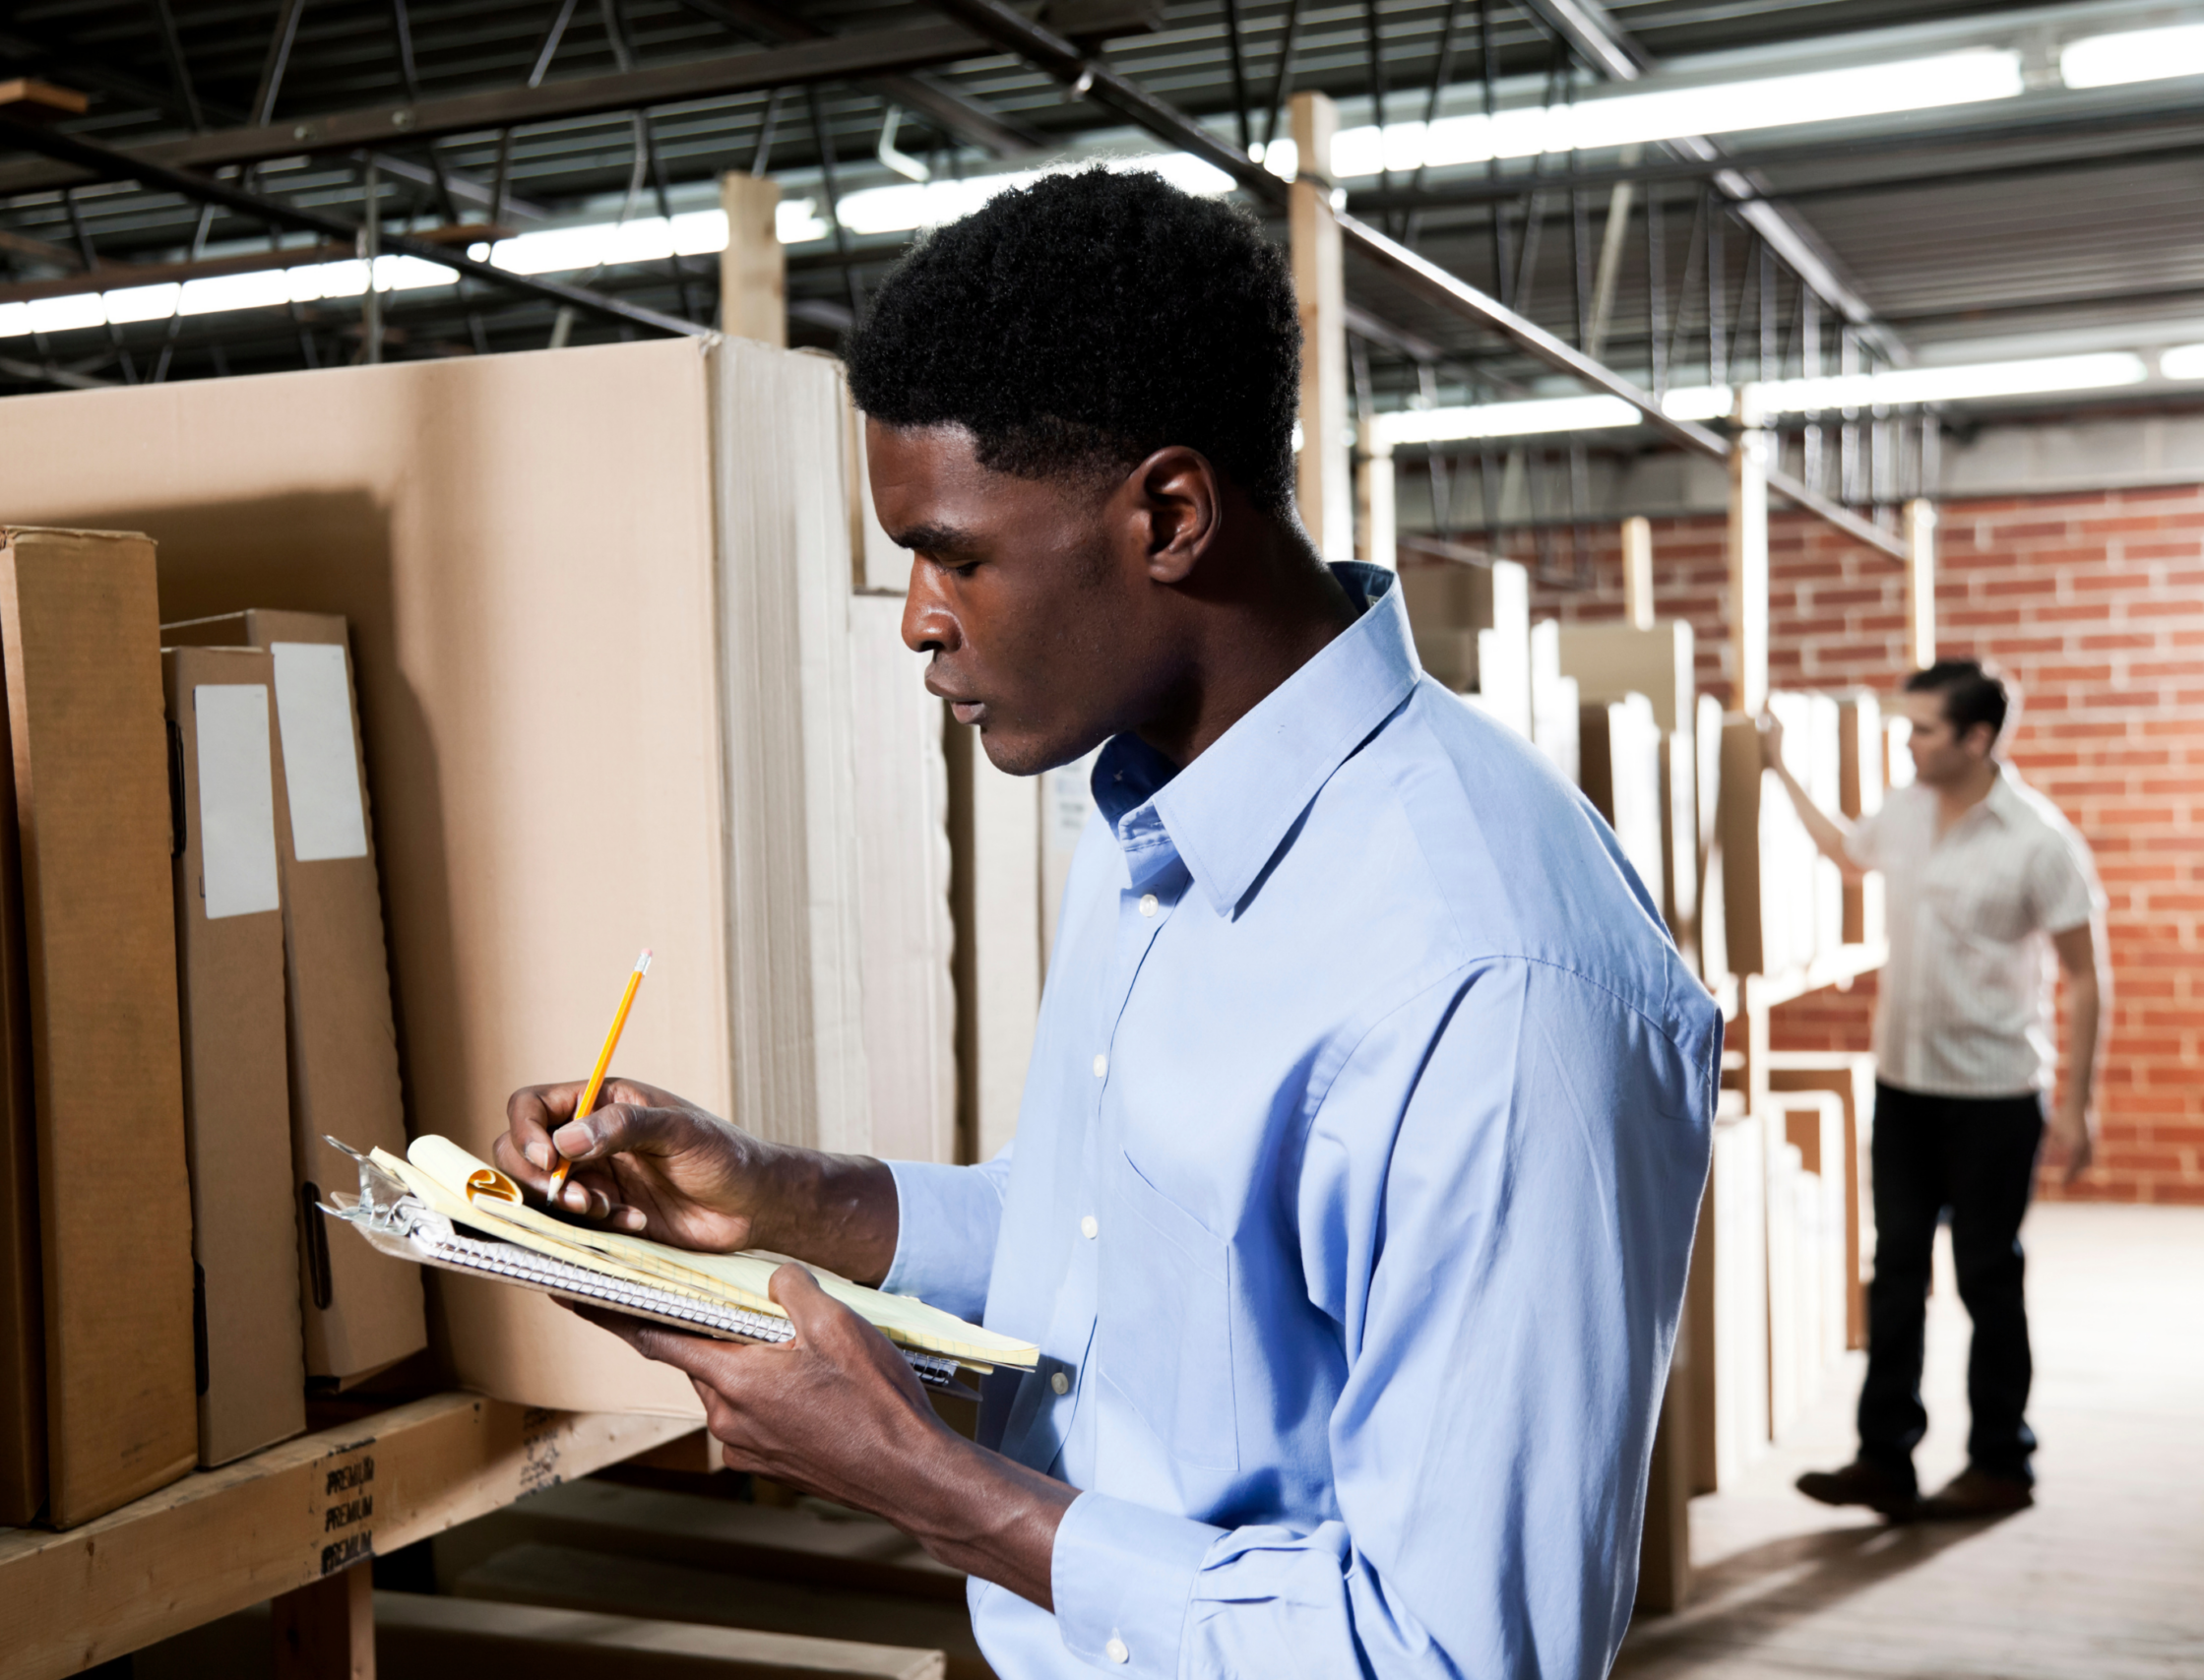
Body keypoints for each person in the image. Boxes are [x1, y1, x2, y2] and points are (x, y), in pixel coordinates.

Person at [496, 169, 1719, 1679]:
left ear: (1170, 512)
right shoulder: (1149, 813)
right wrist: (775, 1196)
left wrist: (922, 1479)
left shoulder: (1487, 981)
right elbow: (1106, 1242)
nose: (917, 618)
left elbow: (1458, 1657)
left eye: (956, 551)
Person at [1759, 658, 2109, 1523]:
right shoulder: (1908, 809)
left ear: (1976, 739)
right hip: (1905, 1087)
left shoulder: (2038, 840)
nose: (1907, 741)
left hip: (1994, 1097)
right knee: (1896, 1273)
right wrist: (1775, 766)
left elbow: (2085, 978)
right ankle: (1885, 1457)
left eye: (1922, 728)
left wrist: (2078, 1103)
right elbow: (1845, 851)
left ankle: (2001, 1463)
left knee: (1987, 1277)